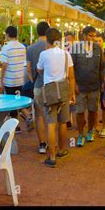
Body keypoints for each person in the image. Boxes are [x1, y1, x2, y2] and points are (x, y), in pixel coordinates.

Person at [37, 27, 75, 168]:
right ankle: (62, 150)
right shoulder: (66, 54)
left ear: (47, 39)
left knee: (51, 124)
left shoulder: (44, 54)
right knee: (63, 122)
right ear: (59, 40)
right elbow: (71, 76)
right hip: (64, 91)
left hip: (50, 91)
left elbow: (39, 70)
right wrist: (72, 94)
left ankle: (52, 157)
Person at [71, 26, 102, 147]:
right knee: (79, 112)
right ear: (83, 35)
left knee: (93, 111)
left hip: (94, 86)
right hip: (80, 87)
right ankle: (80, 134)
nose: (93, 38)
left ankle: (90, 131)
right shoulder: (75, 48)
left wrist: (102, 83)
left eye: (94, 36)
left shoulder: (97, 48)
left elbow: (100, 68)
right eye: (90, 35)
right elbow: (71, 67)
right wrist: (74, 85)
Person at [26, 21, 49, 154]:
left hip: (38, 85)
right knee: (52, 116)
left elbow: (28, 69)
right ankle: (53, 142)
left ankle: (42, 144)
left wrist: (32, 80)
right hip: (52, 86)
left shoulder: (31, 48)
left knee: (39, 115)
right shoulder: (52, 48)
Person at [0, 26, 26, 126]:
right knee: (17, 101)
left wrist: (1, 79)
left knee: (11, 103)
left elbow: (4, 65)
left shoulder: (6, 47)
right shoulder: (22, 47)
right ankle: (18, 123)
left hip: (9, 80)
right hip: (19, 78)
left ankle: (15, 125)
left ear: (7, 34)